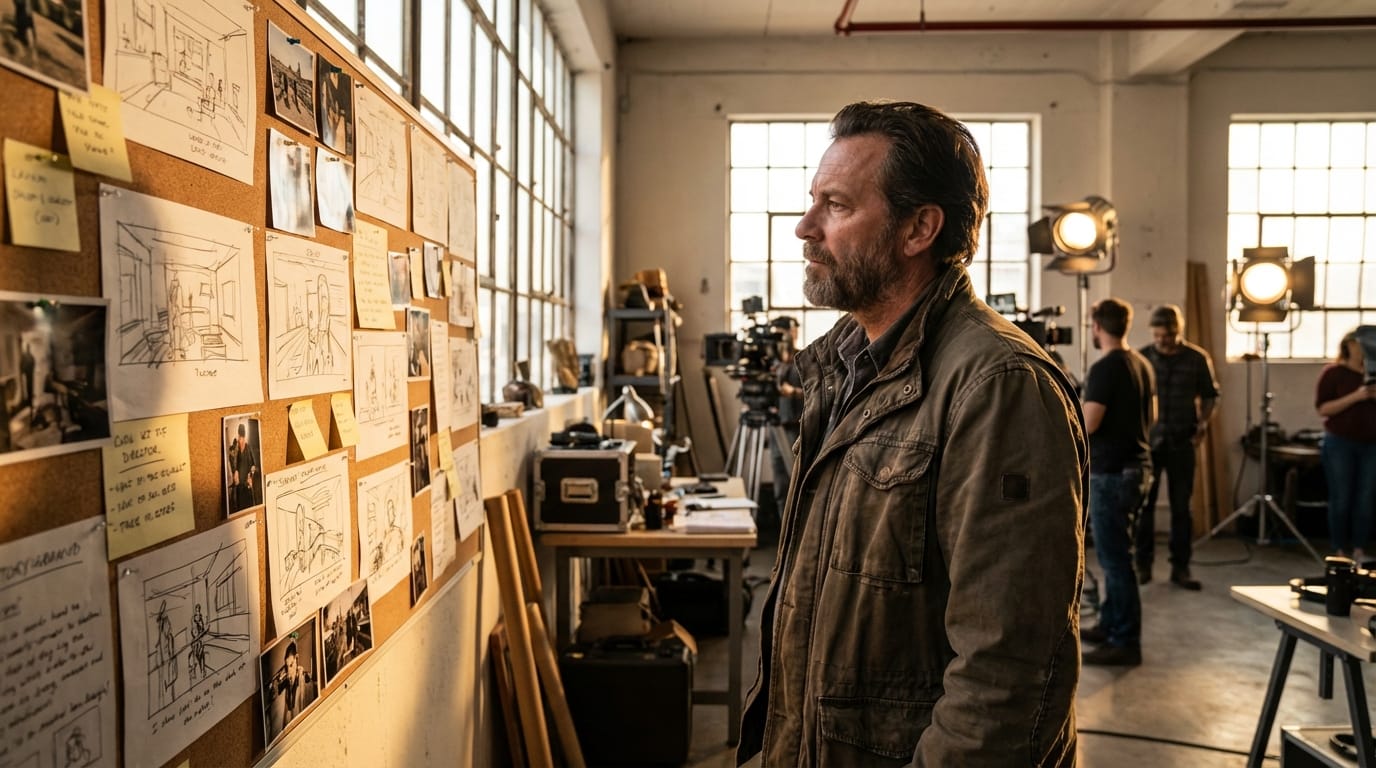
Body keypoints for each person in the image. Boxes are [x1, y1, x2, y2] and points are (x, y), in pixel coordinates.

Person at [737, 101, 1087, 766]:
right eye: (813, 201)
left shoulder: (997, 384)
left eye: (836, 205)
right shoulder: (845, 368)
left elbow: (1007, 673)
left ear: (919, 229)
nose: (805, 227)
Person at [1079, 298, 1156, 667]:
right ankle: (1110, 623)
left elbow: (1089, 423)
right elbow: (1153, 414)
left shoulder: (1105, 368)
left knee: (1114, 560)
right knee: (1118, 554)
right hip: (1138, 469)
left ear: (1097, 327)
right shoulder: (1141, 363)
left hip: (1111, 473)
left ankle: (1125, 641)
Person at [1135, 304, 1219, 590]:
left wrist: (1203, 424)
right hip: (1150, 442)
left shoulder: (1197, 358)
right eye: (1157, 336)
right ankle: (1142, 565)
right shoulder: (1143, 358)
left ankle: (1180, 568)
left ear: (1177, 332)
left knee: (1182, 508)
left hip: (1183, 441)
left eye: (1167, 337)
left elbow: (1210, 395)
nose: (1162, 341)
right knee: (1144, 506)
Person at [1315, 329, 1376, 562]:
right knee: (1341, 497)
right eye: (1359, 343)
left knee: (1366, 498)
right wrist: (1357, 396)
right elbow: (1323, 408)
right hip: (1340, 443)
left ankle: (1359, 549)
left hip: (1372, 444)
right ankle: (1339, 549)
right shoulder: (1333, 373)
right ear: (1348, 345)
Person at [768, 315, 802, 526]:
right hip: (776, 426)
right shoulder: (774, 363)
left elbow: (818, 394)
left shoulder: (804, 359)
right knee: (780, 484)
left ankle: (797, 530)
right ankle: (783, 529)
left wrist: (794, 393)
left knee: (794, 482)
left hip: (795, 428)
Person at [227, 422, 258, 512]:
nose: (241, 441)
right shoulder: (236, 447)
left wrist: (250, 476)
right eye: (240, 438)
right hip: (240, 484)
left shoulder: (248, 447)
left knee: (247, 506)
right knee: (241, 506)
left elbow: (253, 465)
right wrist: (235, 471)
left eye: (242, 438)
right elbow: (232, 459)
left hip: (246, 483)